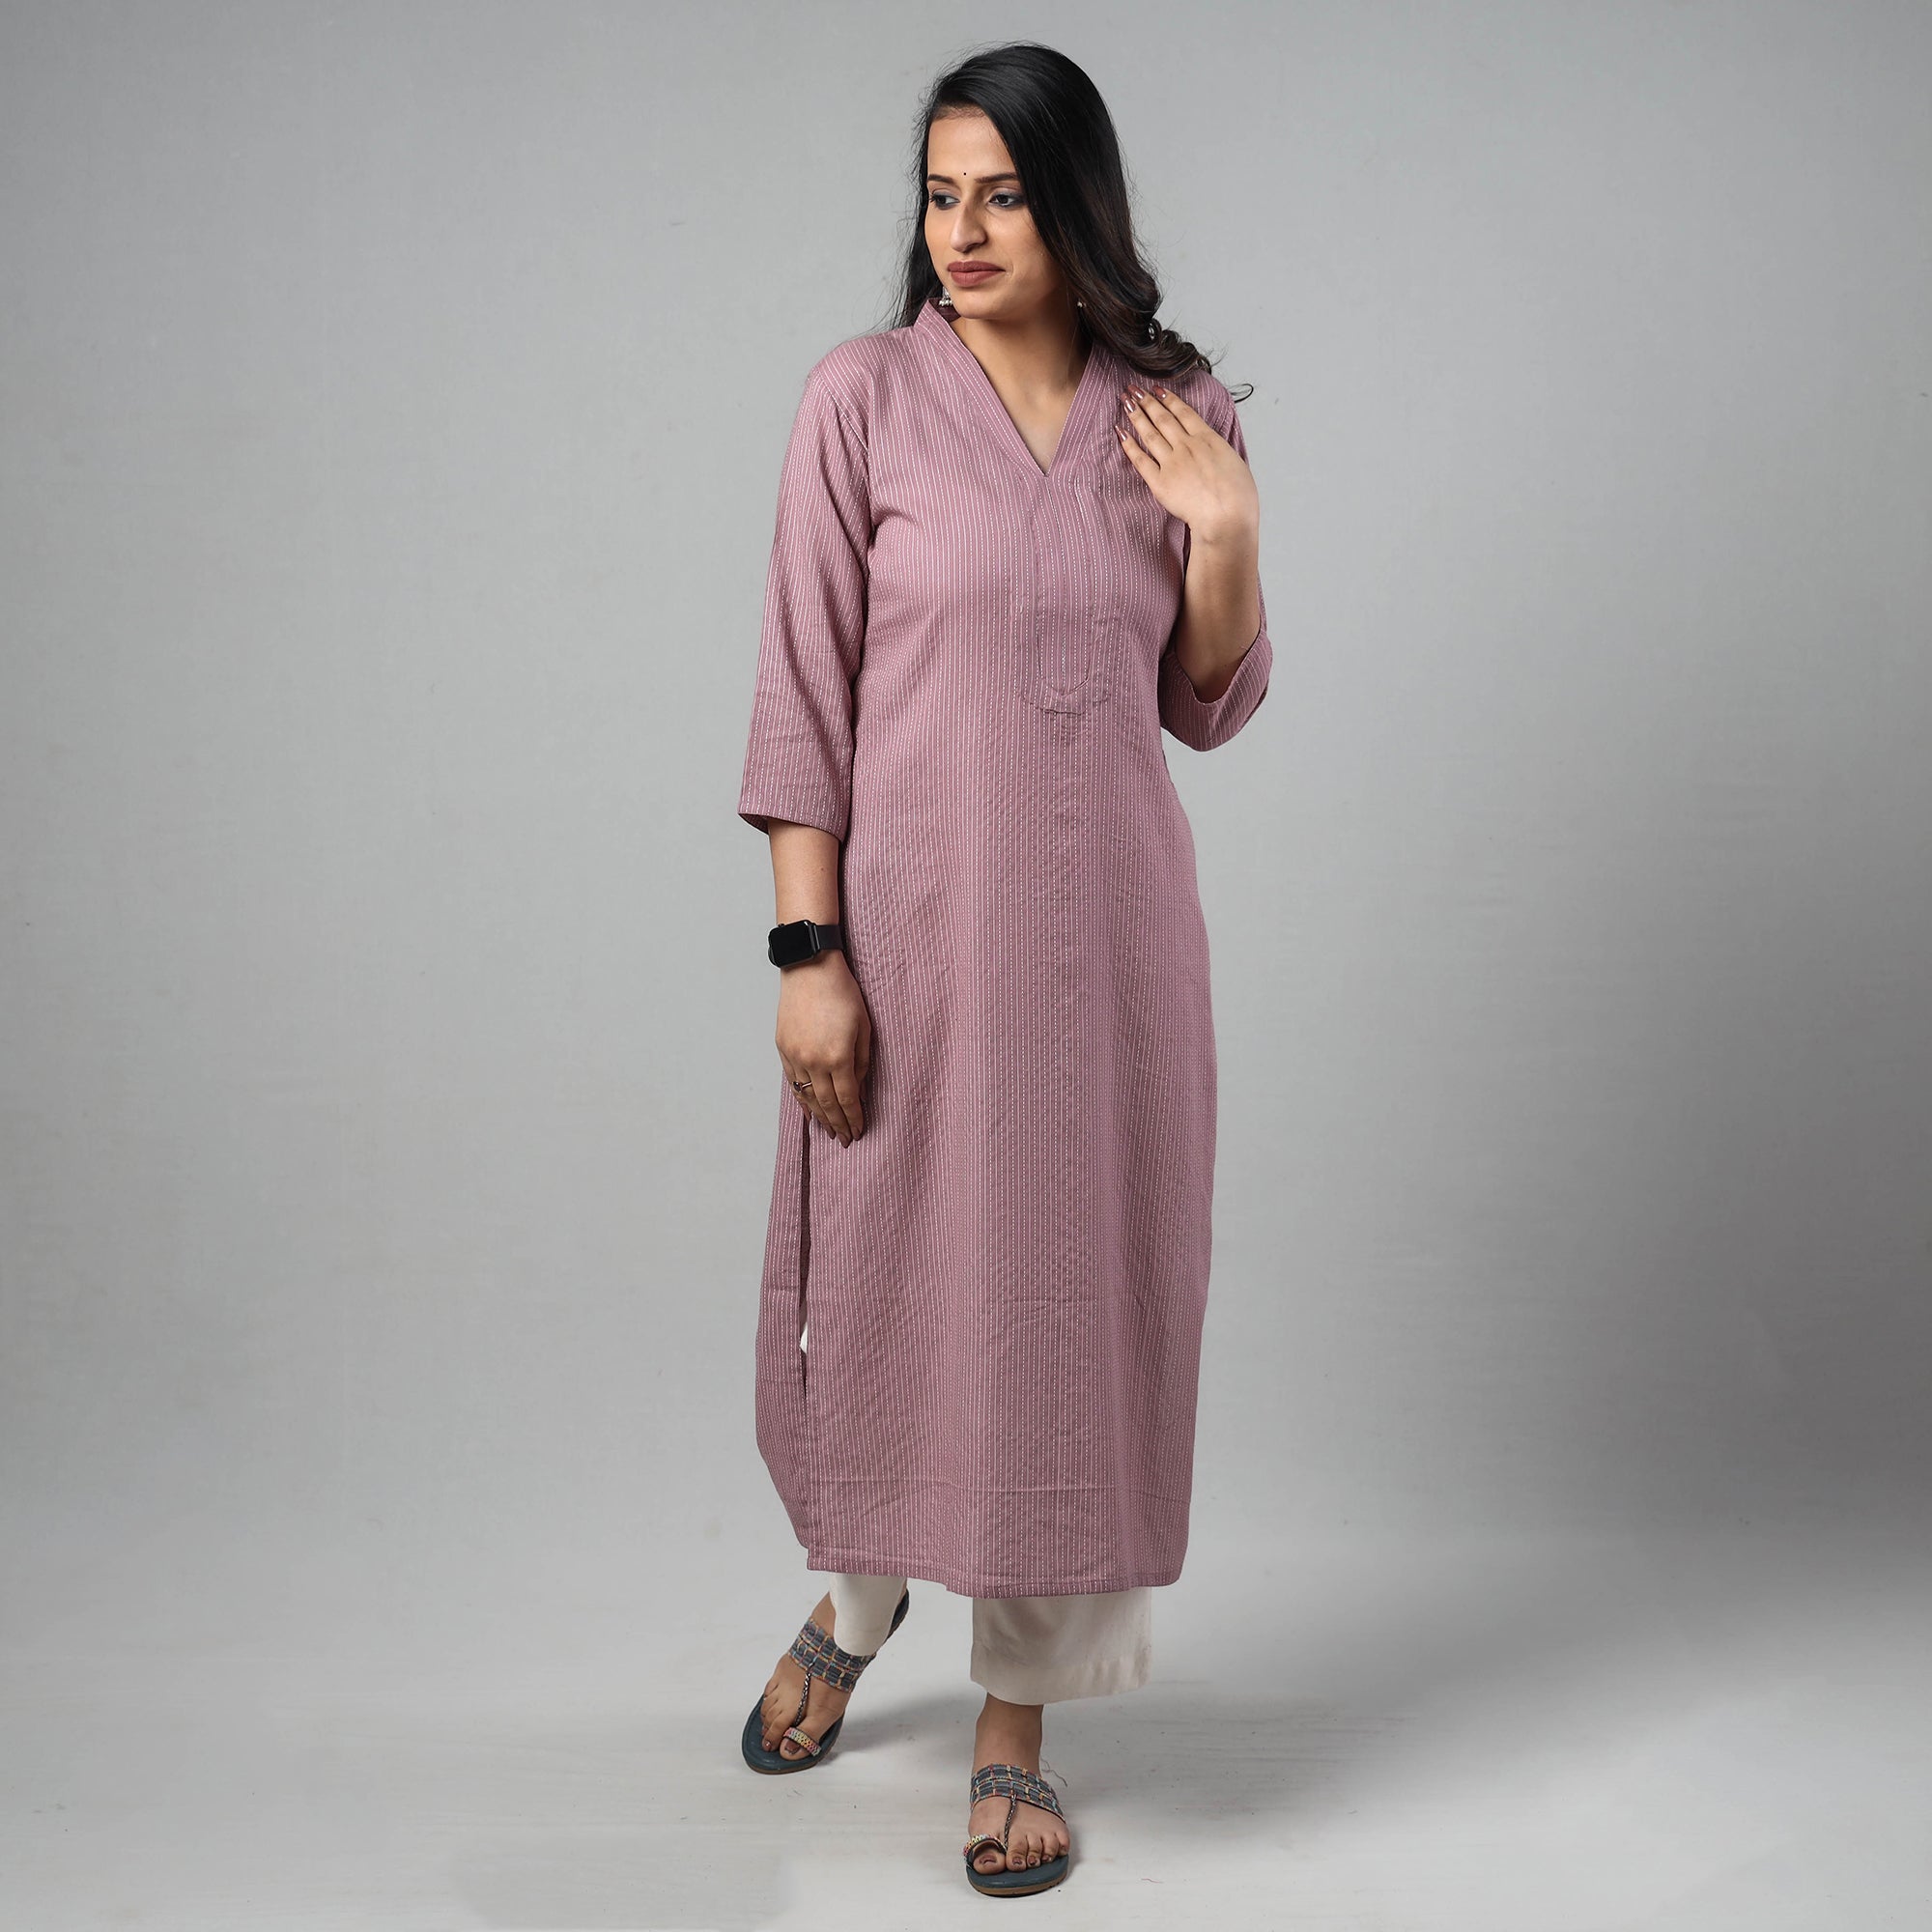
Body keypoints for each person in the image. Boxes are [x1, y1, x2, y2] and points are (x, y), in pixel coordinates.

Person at [735, 42, 1273, 1896]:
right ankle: (858, 1601)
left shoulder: (1176, 413)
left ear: (1077, 204)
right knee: (897, 1291)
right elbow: (800, 693)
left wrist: (1229, 529)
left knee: (1062, 1312)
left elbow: (1206, 701)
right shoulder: (864, 400)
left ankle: (1016, 1725)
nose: (965, 231)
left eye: (1007, 195)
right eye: (941, 194)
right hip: (907, 946)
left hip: (1104, 951)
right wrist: (809, 951)